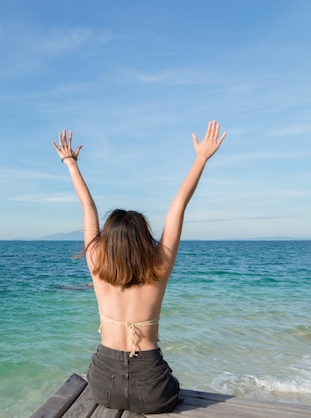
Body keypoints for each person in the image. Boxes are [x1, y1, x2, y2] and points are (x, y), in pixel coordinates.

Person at [52, 120, 226, 414]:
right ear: (145, 238)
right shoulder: (159, 265)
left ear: (107, 240)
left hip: (103, 385)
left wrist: (70, 164)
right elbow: (178, 205)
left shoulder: (96, 261)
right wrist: (201, 158)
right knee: (172, 384)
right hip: (152, 387)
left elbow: (87, 206)